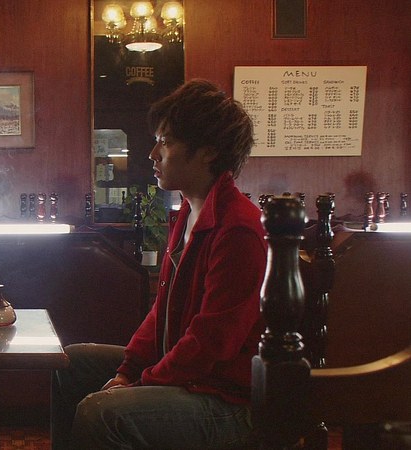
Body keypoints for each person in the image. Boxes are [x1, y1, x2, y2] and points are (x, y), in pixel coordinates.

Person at [54, 79, 266, 449]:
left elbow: (211, 342)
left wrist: (141, 383)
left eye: (165, 142)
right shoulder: (187, 213)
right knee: (70, 363)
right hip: (191, 378)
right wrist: (127, 372)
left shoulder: (238, 228)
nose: (153, 154)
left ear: (208, 152)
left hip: (227, 400)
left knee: (101, 413)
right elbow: (161, 312)